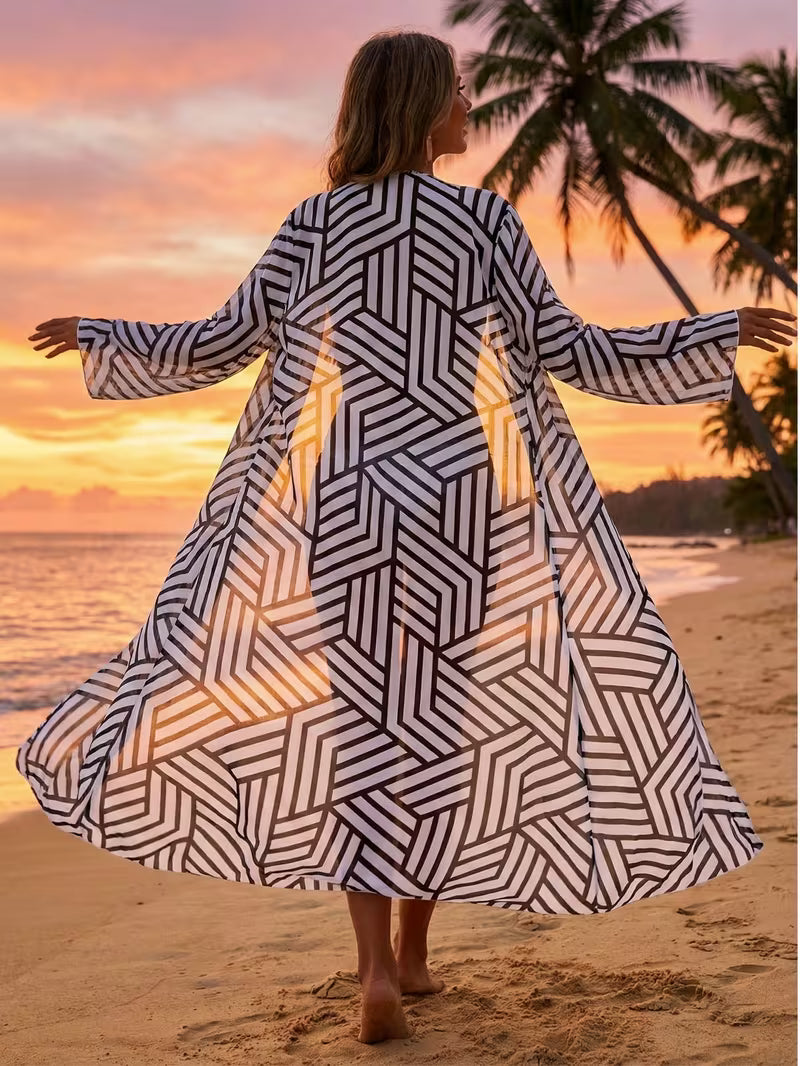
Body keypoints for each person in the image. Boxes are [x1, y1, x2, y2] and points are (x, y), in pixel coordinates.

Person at [20, 29, 797, 1047]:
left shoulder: (315, 224)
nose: (471, 105)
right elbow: (570, 349)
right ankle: (419, 957)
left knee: (359, 730)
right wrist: (704, 334)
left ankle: (376, 970)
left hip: (348, 499)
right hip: (453, 499)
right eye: (459, 92)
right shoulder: (481, 222)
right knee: (432, 727)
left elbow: (220, 340)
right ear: (420, 104)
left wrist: (104, 337)